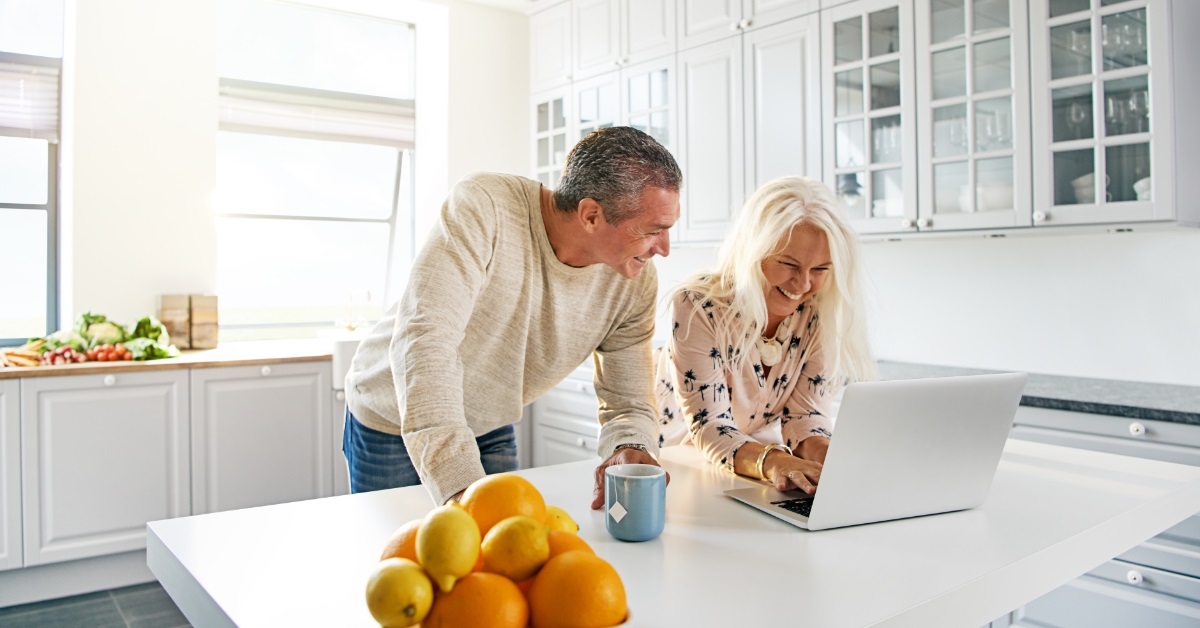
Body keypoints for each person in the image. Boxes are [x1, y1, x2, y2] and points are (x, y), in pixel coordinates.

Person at [343, 126, 682, 508]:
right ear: (591, 215)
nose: (665, 249)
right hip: (394, 417)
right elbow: (425, 340)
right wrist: (460, 485)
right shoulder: (484, 207)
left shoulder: (633, 280)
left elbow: (628, 399)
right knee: (405, 555)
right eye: (655, 231)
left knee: (504, 556)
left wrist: (631, 444)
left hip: (489, 422)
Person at [654, 176, 876, 494]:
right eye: (789, 264)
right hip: (678, 463)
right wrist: (775, 463)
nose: (802, 285)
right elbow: (711, 427)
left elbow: (805, 418)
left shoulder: (818, 313)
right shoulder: (699, 305)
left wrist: (834, 460)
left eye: (820, 270)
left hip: (753, 462)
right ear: (753, 252)